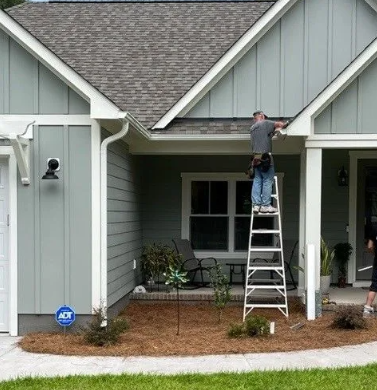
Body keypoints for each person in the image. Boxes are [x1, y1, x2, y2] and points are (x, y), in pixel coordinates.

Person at [250, 110, 288, 214]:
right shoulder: (265, 123)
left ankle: (256, 205)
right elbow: (279, 124)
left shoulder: (252, 128)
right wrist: (285, 124)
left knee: (257, 180)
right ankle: (265, 205)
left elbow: (265, 137)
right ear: (261, 116)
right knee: (267, 180)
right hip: (265, 157)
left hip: (255, 158)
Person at [363, 224, 377, 316]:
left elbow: (369, 246)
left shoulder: (375, 228)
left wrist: (374, 253)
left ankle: (367, 308)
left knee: (375, 284)